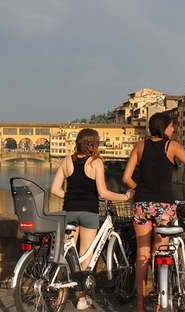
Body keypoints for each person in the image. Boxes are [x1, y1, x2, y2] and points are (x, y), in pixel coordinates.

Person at [122, 112, 185, 312]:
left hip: (142, 205)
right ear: (164, 128)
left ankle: (139, 305)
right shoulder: (172, 146)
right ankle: (157, 305)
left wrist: (142, 191)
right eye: (171, 126)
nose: (173, 130)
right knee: (161, 252)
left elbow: (126, 178)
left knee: (142, 255)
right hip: (165, 206)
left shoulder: (140, 146)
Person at [51, 128, 135, 310]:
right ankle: (81, 300)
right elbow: (103, 192)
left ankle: (60, 296)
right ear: (94, 143)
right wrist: (126, 197)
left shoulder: (66, 161)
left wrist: (70, 196)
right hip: (89, 213)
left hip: (69, 211)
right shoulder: (96, 162)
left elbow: (54, 190)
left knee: (66, 256)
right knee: (84, 258)